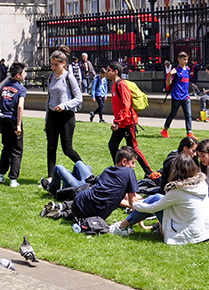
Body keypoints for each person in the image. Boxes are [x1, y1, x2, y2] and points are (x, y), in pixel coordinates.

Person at [110, 153, 209, 243]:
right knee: (156, 198)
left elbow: (153, 208)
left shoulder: (178, 191)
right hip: (202, 230)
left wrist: (134, 204)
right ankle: (125, 225)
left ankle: (121, 226)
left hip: (184, 233)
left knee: (155, 198)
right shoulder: (201, 184)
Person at [41, 147, 140, 221]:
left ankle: (55, 189)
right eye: (133, 163)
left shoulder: (108, 171)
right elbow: (130, 199)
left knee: (58, 168)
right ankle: (59, 188)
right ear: (124, 161)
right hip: (86, 186)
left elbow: (128, 197)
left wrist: (145, 202)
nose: (134, 166)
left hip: (83, 191)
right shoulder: (124, 173)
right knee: (79, 164)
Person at [106, 61, 157, 178]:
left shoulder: (121, 84)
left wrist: (117, 121)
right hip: (121, 123)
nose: (107, 72)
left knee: (133, 148)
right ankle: (119, 169)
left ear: (115, 72)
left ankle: (149, 172)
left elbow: (126, 105)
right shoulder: (114, 85)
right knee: (112, 145)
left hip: (127, 123)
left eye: (109, 70)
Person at [42, 46, 83, 184]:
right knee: (51, 146)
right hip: (53, 116)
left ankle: (83, 170)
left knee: (67, 149)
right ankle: (50, 176)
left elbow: (79, 98)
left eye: (56, 65)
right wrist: (47, 119)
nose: (53, 67)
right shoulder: (51, 78)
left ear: (63, 63)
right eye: (52, 64)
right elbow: (49, 100)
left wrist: (64, 105)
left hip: (66, 116)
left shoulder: (68, 77)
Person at [0, 61, 27, 187]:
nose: (25, 75)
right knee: (17, 150)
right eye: (24, 73)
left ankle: (1, 175)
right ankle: (13, 179)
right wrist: (18, 124)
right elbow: (20, 106)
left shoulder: (4, 86)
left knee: (6, 148)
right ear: (18, 75)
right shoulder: (21, 88)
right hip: (13, 120)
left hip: (3, 119)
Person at [161, 52, 193, 138]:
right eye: (184, 59)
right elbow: (168, 83)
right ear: (179, 59)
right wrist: (170, 74)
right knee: (173, 114)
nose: (185, 61)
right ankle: (165, 130)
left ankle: (189, 132)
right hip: (177, 96)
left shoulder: (188, 69)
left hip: (186, 96)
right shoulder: (175, 70)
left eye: (186, 59)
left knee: (188, 114)